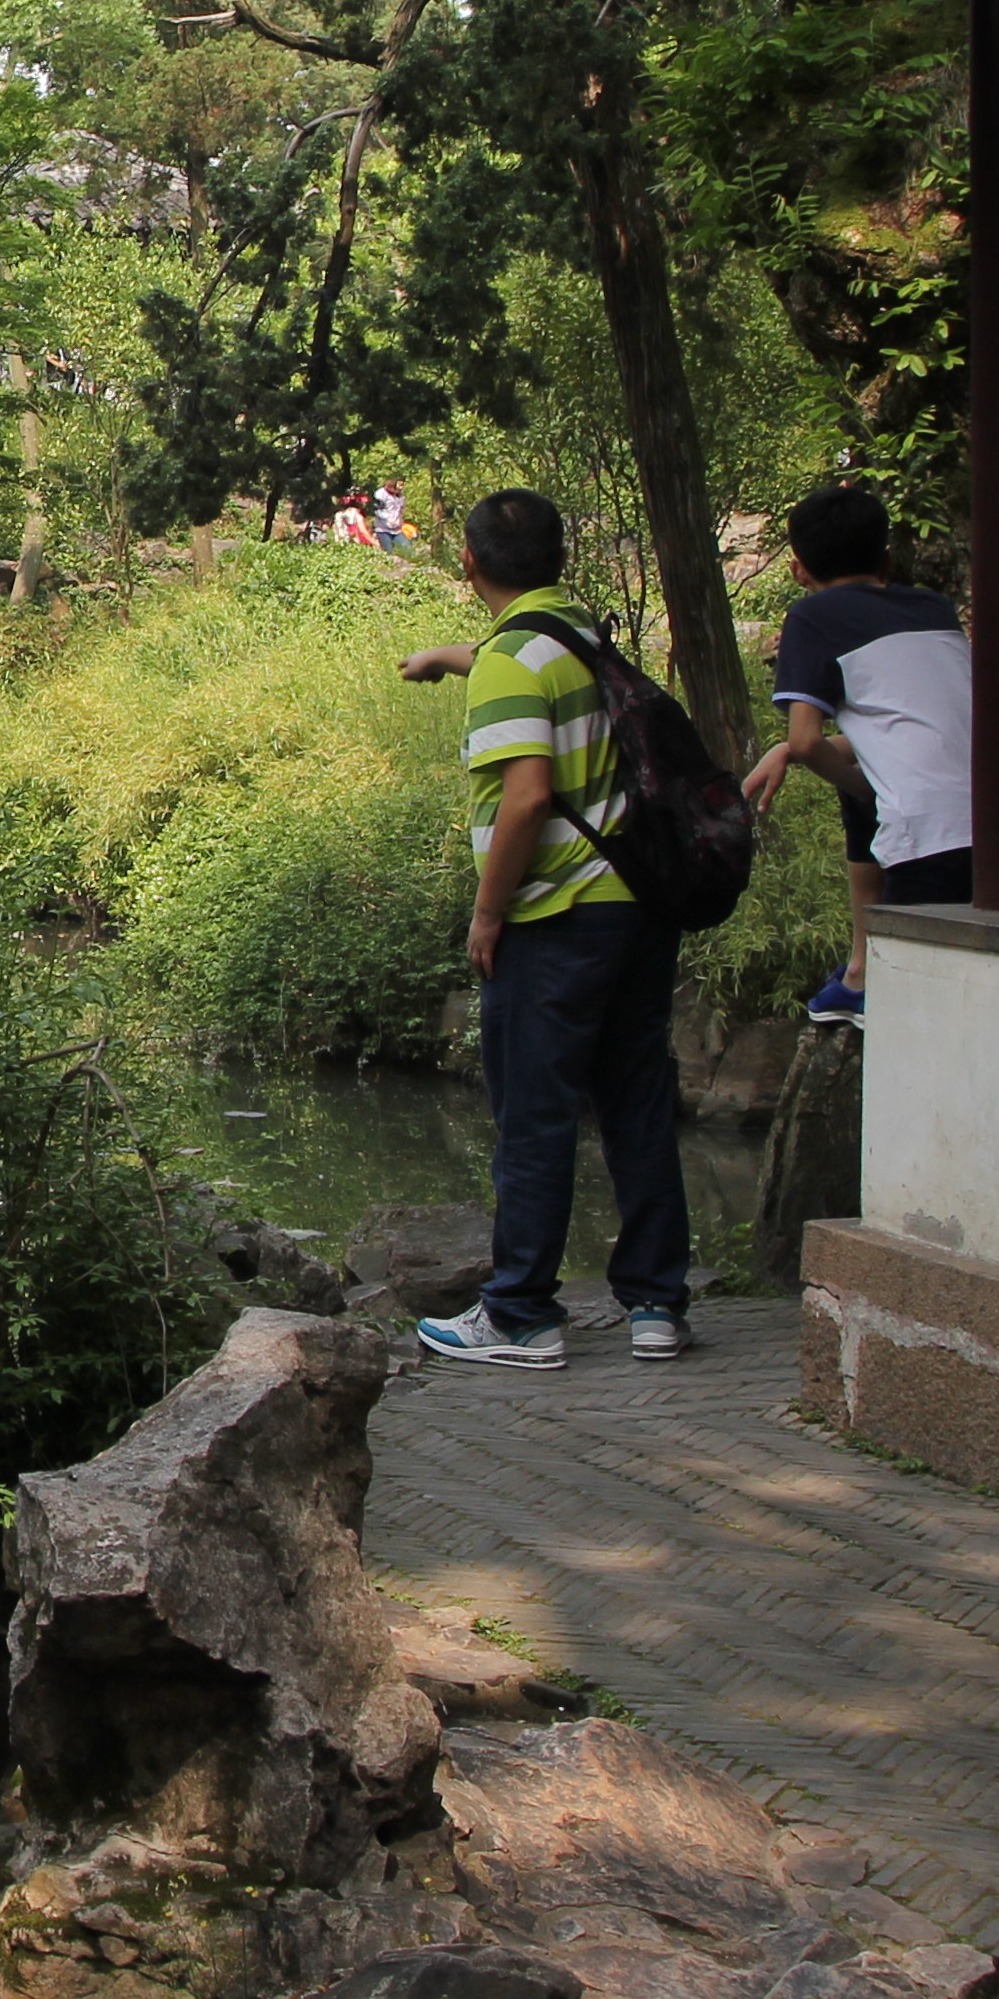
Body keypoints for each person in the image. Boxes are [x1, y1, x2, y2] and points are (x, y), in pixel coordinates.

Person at [393, 489, 695, 1369]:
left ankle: (522, 1312)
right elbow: (508, 658)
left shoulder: (510, 664)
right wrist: (441, 659)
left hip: (557, 918)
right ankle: (656, 1305)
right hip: (636, 911)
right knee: (637, 1104)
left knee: (535, 1112)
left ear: (469, 564)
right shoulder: (586, 639)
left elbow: (525, 796)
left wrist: (488, 914)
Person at [742, 484, 974, 1020]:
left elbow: (808, 738)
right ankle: (860, 970)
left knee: (916, 1019)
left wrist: (860, 784)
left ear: (800, 570)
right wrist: (794, 752)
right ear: (887, 558)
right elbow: (910, 730)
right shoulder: (933, 607)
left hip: (929, 838)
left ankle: (866, 976)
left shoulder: (814, 616)